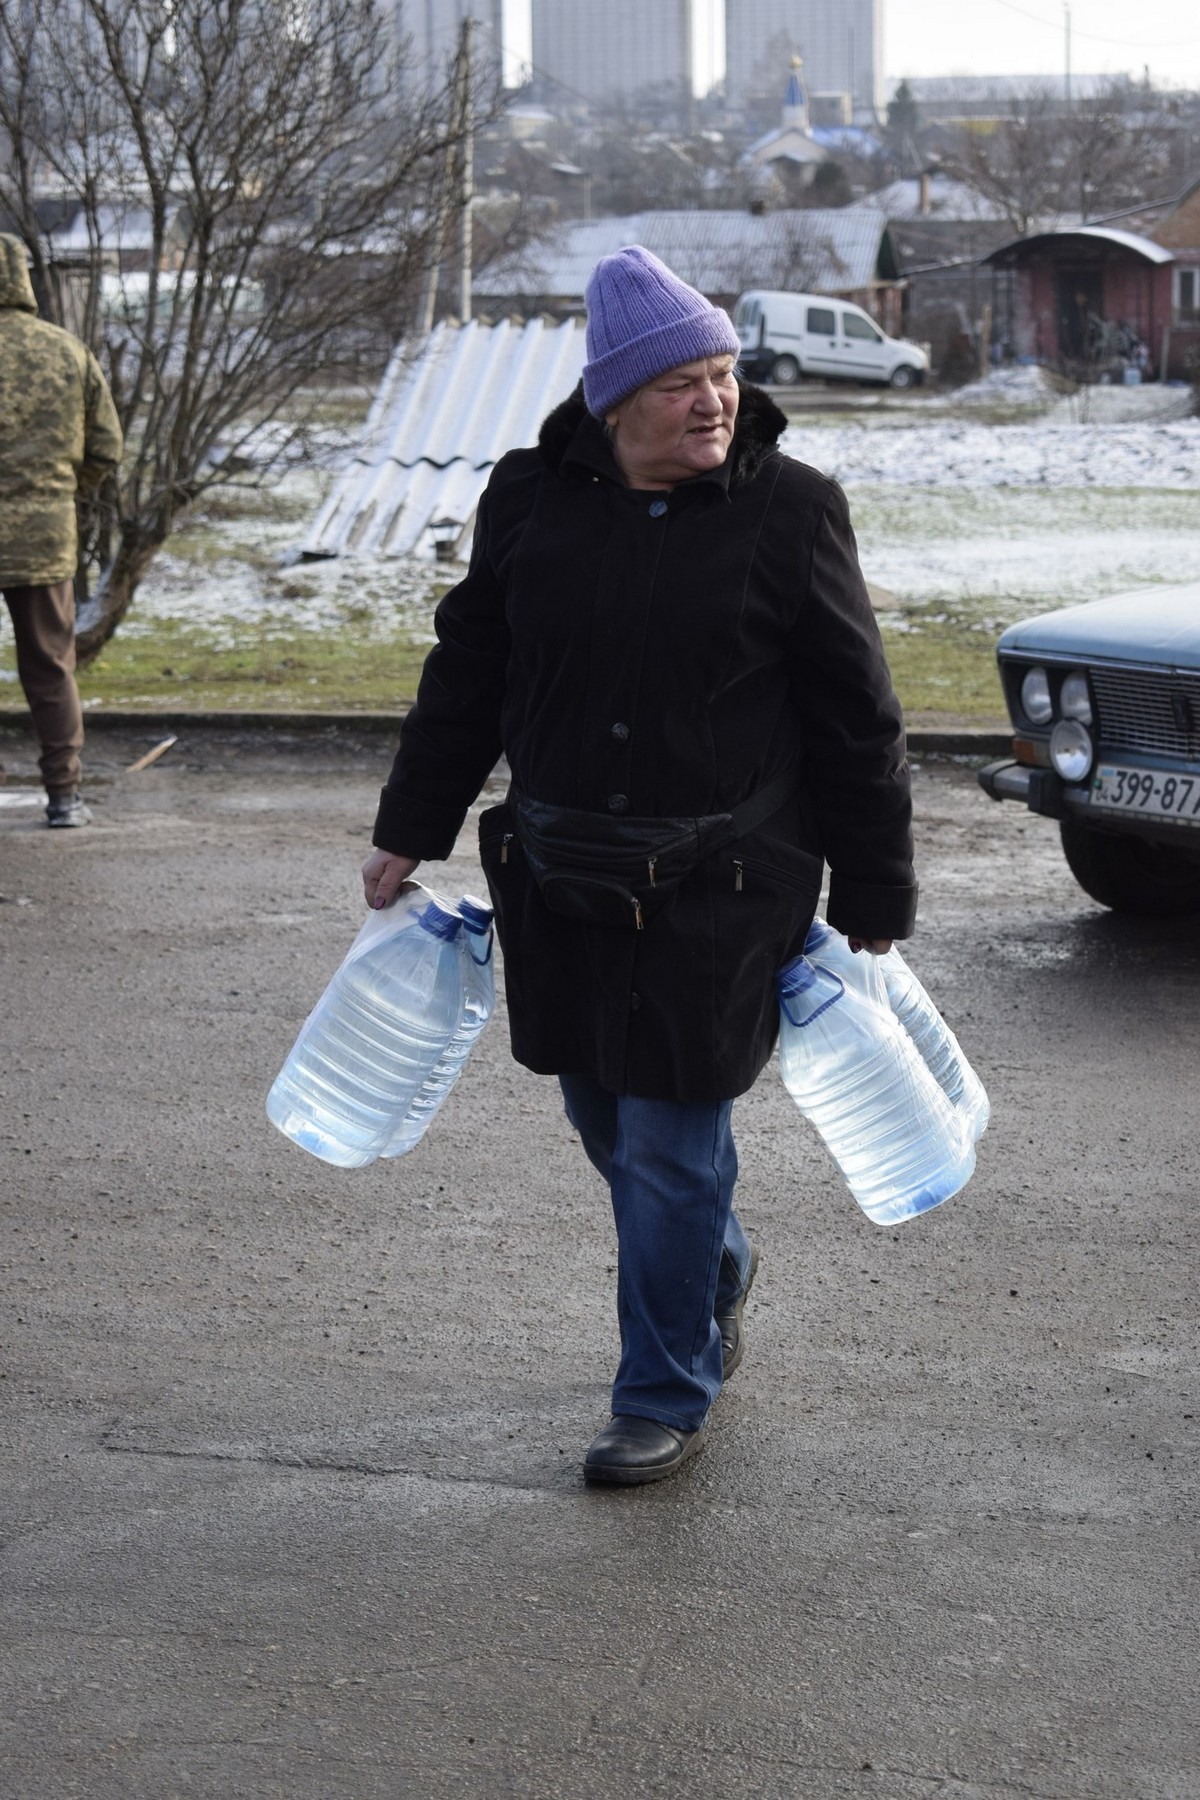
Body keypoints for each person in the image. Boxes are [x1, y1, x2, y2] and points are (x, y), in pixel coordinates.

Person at [363, 246, 916, 1485]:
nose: (714, 399)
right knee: (601, 1110)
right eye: (682, 383)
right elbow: (470, 674)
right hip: (561, 870)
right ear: (617, 404)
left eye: (724, 373)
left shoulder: (793, 511)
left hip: (725, 884)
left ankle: (660, 1394)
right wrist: (412, 823)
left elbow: (856, 717)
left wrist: (877, 890)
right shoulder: (527, 498)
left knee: (670, 1137)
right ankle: (716, 1261)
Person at [0, 233, 123, 826]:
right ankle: (64, 795)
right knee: (50, 666)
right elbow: (106, 445)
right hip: (43, 538)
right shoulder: (67, 351)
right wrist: (64, 492)